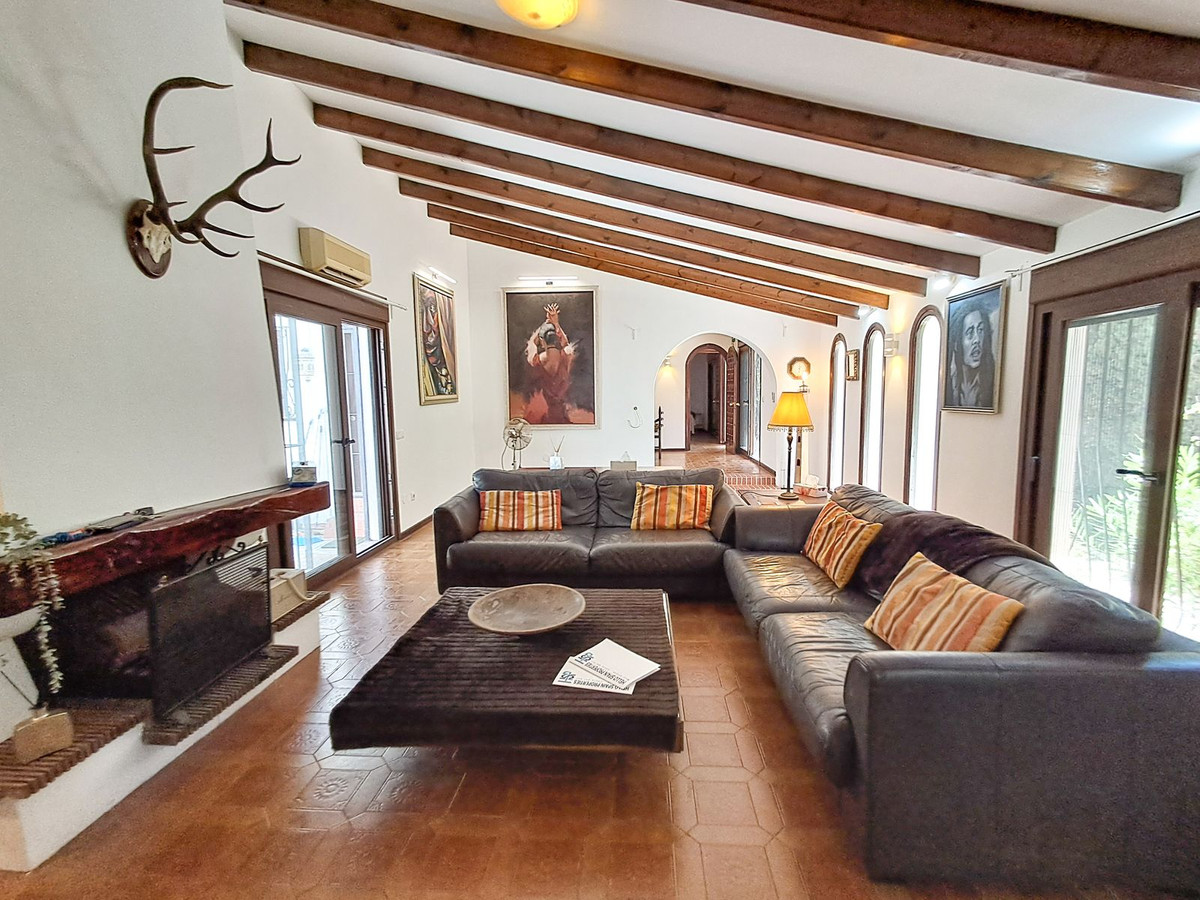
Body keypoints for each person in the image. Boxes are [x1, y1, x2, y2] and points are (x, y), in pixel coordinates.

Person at [524, 302, 577, 423]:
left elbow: (532, 343)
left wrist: (546, 323)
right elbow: (565, 343)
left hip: (547, 414)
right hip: (562, 414)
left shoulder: (537, 360)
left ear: (542, 342)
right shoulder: (566, 355)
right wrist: (555, 323)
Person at [946, 297, 996, 409]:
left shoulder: (992, 381)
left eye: (980, 330)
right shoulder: (950, 383)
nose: (977, 340)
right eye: (970, 332)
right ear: (956, 343)